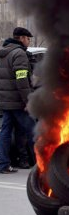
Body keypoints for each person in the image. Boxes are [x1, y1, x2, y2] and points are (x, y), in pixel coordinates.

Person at [0, 27, 36, 173]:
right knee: (34, 131)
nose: (29, 41)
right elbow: (21, 80)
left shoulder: (3, 54)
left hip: (4, 102)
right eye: (28, 39)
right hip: (17, 102)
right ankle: (43, 164)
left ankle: (3, 164)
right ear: (21, 38)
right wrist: (28, 101)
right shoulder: (19, 54)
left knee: (5, 132)